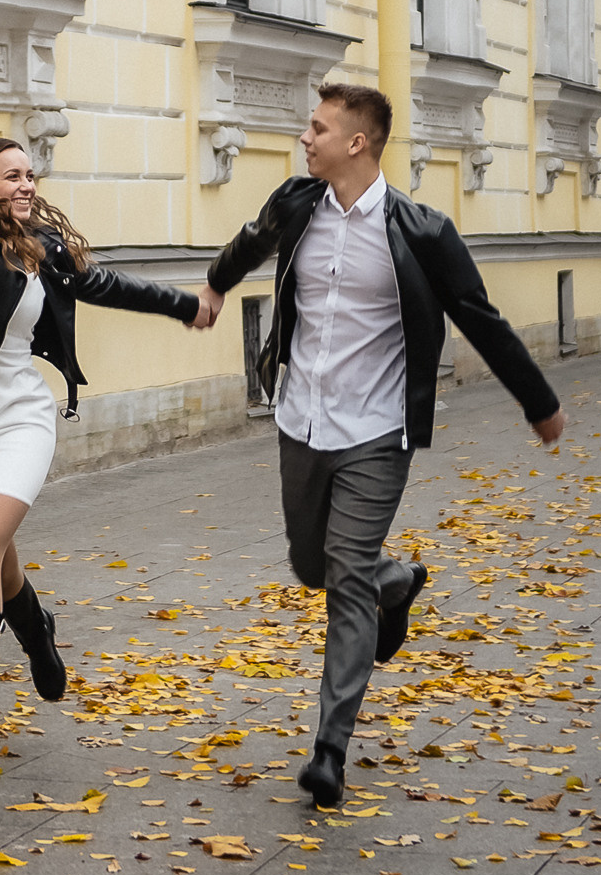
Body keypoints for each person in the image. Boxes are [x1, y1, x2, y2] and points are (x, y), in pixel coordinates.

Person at [195, 80, 563, 810]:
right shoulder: (297, 203)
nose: (307, 138)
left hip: (376, 429)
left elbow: (480, 318)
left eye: (319, 128)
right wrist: (213, 287)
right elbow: (251, 240)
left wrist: (538, 401)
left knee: (346, 572)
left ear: (356, 143)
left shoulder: (422, 231)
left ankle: (329, 747)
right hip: (301, 418)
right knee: (312, 564)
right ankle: (395, 583)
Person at [0, 26, 204, 761]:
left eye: (31, 175)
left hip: (19, 420)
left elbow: (112, 285)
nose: (27, 185)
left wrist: (184, 305)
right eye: (12, 176)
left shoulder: (49, 254)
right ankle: (37, 632)